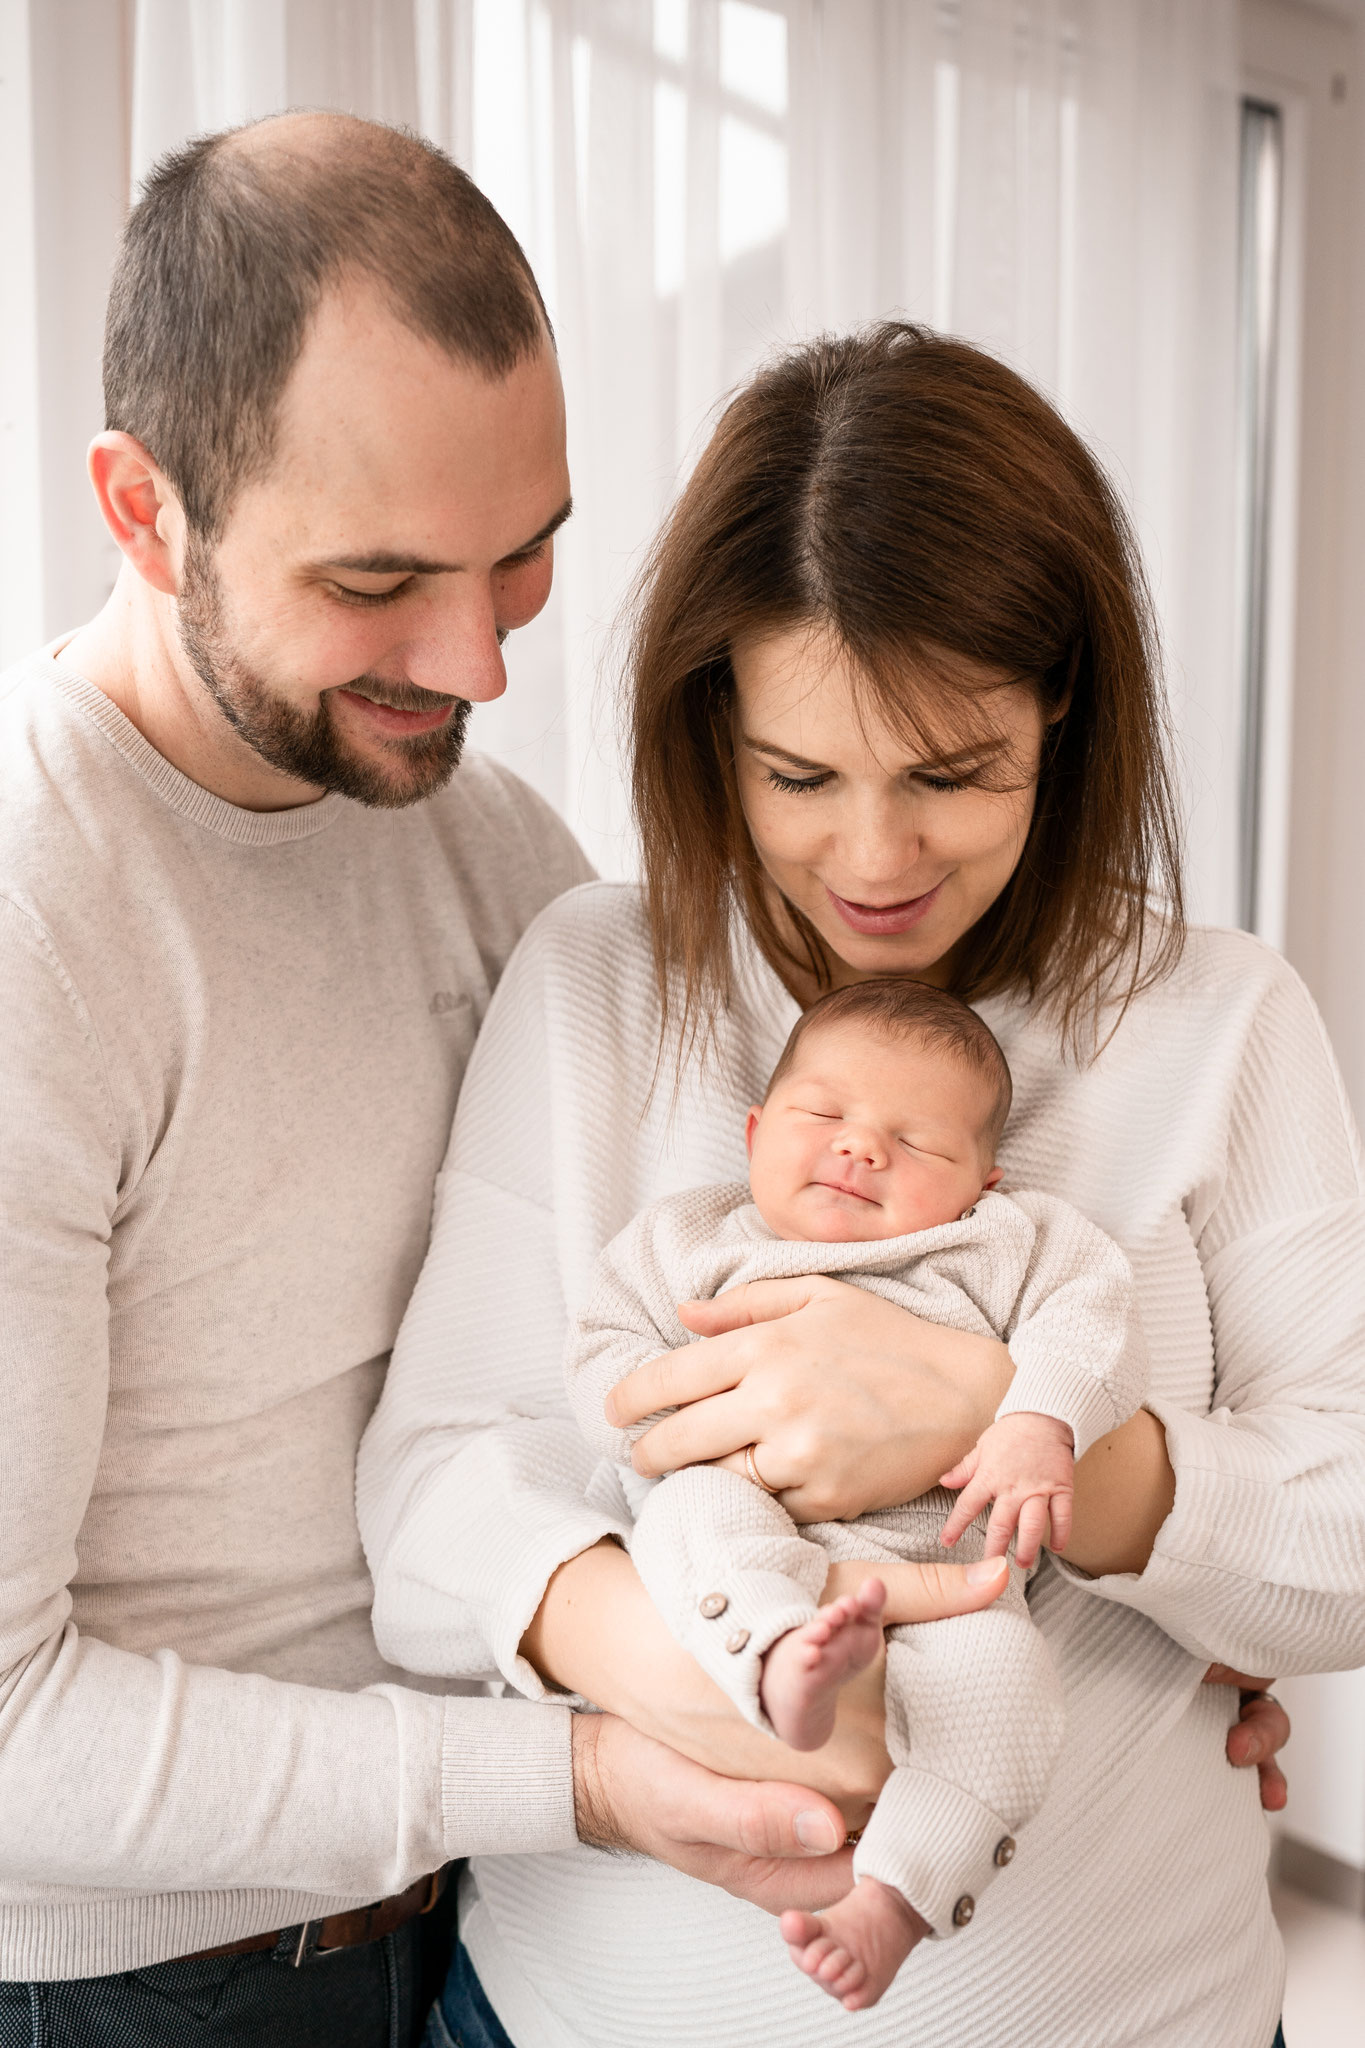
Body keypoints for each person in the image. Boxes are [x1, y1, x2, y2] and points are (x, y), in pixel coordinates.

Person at [0, 116, 979, 2048]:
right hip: (137, 1985)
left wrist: (1090, 1652)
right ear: (144, 509)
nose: (475, 662)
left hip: (474, 1926)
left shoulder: (493, 840)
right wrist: (587, 1780)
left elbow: (686, 1324)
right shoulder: (43, 916)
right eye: (380, 581)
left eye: (522, 559)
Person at [358, 323, 1350, 2048]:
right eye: (799, 776)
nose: (876, 862)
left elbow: (1349, 1540)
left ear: (1066, 705)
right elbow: (434, 1501)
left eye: (954, 775)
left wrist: (1006, 1432)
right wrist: (754, 1684)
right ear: (711, 721)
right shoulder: (599, 976)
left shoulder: (1224, 1017)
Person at [565, 975, 1148, 2008]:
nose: (861, 1145)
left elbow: (1091, 1317)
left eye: (918, 1142)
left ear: (985, 1180)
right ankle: (782, 1656)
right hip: (751, 1512)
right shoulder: (690, 1238)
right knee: (692, 1519)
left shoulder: (1001, 1242)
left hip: (951, 1563)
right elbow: (604, 1360)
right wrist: (692, 1442)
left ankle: (900, 1893)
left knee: (1012, 1688)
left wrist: (1035, 1418)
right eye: (823, 1114)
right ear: (752, 1133)